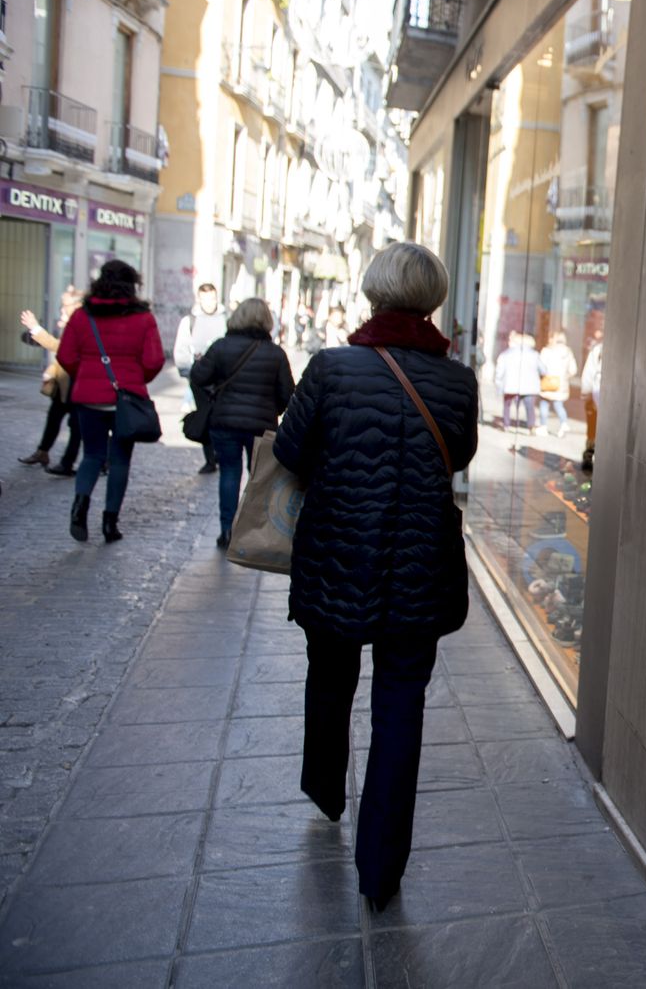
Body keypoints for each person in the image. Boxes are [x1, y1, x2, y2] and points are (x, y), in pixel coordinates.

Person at [274, 242, 478, 911]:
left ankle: (325, 790)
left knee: (330, 677)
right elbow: (459, 456)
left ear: (373, 291)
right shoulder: (458, 380)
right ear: (434, 299)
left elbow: (290, 450)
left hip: (337, 553)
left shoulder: (332, 367)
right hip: (420, 564)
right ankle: (381, 871)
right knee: (400, 707)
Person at [54, 260, 164, 544]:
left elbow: (65, 355)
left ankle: (80, 506)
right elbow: (154, 361)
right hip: (125, 398)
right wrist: (136, 379)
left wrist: (85, 376)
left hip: (88, 398)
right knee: (120, 461)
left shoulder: (82, 316)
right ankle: (109, 523)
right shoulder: (143, 318)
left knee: (91, 455)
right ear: (132, 285)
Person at [191, 297, 295, 549]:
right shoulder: (275, 354)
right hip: (261, 424)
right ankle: (252, 532)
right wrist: (273, 410)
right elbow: (287, 393)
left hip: (225, 421)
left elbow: (199, 376)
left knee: (229, 472)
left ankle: (227, 529)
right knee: (258, 477)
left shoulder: (221, 347)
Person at [18, 290, 85, 476]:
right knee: (54, 418)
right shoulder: (72, 324)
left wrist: (36, 329)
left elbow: (61, 348)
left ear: (77, 306)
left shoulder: (82, 325)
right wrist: (51, 370)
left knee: (76, 426)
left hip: (78, 386)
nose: (62, 310)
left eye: (65, 306)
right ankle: (43, 452)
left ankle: (69, 463)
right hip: (64, 385)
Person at [174, 282, 230, 473]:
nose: (209, 302)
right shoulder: (190, 321)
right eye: (205, 299)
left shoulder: (226, 319)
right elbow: (181, 349)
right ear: (199, 299)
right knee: (205, 417)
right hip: (200, 379)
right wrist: (189, 374)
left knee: (222, 418)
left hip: (223, 380)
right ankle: (210, 459)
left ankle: (220, 454)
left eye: (212, 298)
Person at [494, 331, 541, 431]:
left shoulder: (506, 354)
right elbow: (543, 369)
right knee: (529, 406)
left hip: (510, 385)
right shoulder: (535, 355)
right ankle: (531, 426)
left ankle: (506, 425)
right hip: (529, 386)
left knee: (507, 405)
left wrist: (498, 384)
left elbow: (499, 371)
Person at [536, 330, 579, 437]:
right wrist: (565, 377)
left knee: (544, 403)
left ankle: (543, 427)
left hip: (548, 381)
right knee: (559, 405)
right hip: (561, 383)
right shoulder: (568, 352)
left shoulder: (547, 350)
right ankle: (563, 424)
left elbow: (540, 367)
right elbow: (573, 370)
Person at [580, 328, 602, 469]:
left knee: (593, 429)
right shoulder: (598, 350)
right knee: (593, 428)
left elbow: (588, 374)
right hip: (595, 397)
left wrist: (586, 392)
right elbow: (589, 374)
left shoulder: (598, 349)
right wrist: (587, 393)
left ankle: (590, 456)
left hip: (596, 396)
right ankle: (589, 456)